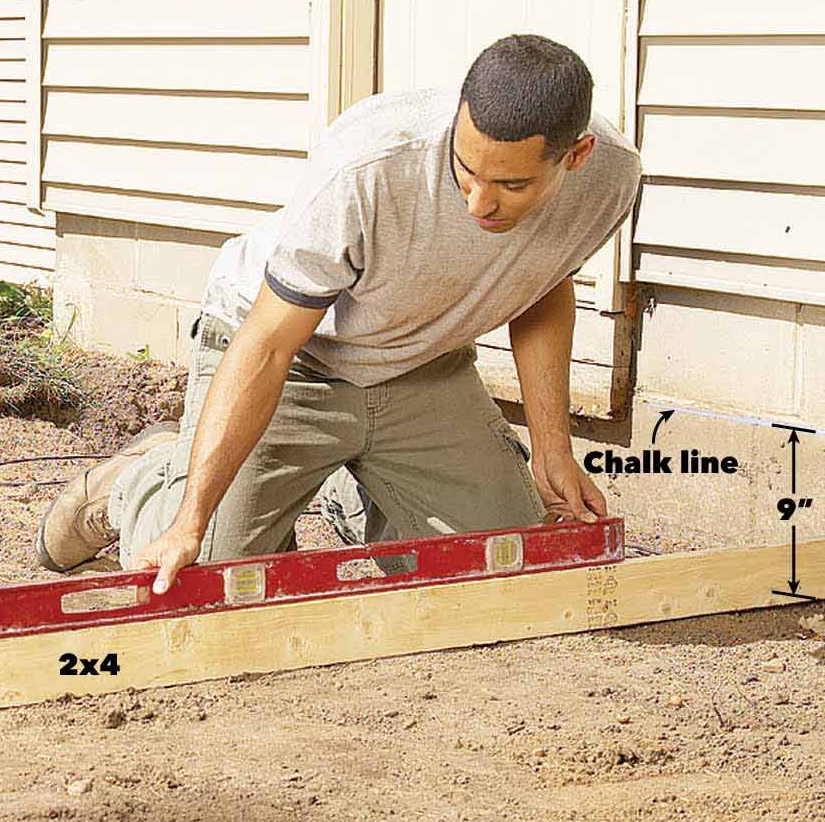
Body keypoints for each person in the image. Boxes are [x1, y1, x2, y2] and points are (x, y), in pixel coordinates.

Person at [36, 34, 643, 594]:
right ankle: (138, 485)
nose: (479, 201)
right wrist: (191, 522)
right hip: (292, 360)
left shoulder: (611, 177)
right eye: (465, 169)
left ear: (577, 155)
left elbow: (540, 283)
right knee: (213, 578)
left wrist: (552, 448)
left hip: (419, 369)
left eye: (510, 186)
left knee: (505, 570)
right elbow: (269, 346)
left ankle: (353, 486)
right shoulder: (370, 164)